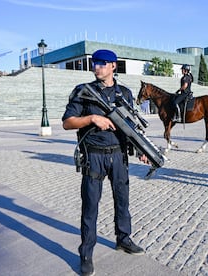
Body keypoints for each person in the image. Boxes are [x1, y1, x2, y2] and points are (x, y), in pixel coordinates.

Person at [62, 49, 149, 276]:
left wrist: (140, 150)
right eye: (94, 63)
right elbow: (68, 123)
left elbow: (130, 127)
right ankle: (86, 253)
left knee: (123, 201)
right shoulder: (83, 91)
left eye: (101, 63)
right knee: (90, 206)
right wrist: (92, 118)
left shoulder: (125, 93)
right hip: (94, 156)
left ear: (113, 66)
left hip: (119, 155)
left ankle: (123, 239)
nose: (96, 67)